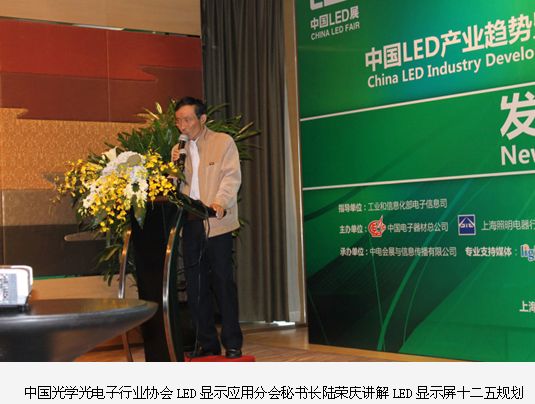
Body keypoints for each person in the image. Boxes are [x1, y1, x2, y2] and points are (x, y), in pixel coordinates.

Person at [171, 96, 243, 359]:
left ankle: (232, 343)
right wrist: (173, 167)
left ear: (202, 119)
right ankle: (207, 343)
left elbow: (231, 177)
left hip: (217, 223)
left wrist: (220, 202)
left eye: (187, 119)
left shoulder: (222, 142)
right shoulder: (179, 149)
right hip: (190, 225)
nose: (182, 126)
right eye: (178, 121)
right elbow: (174, 187)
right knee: (196, 285)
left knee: (222, 282)